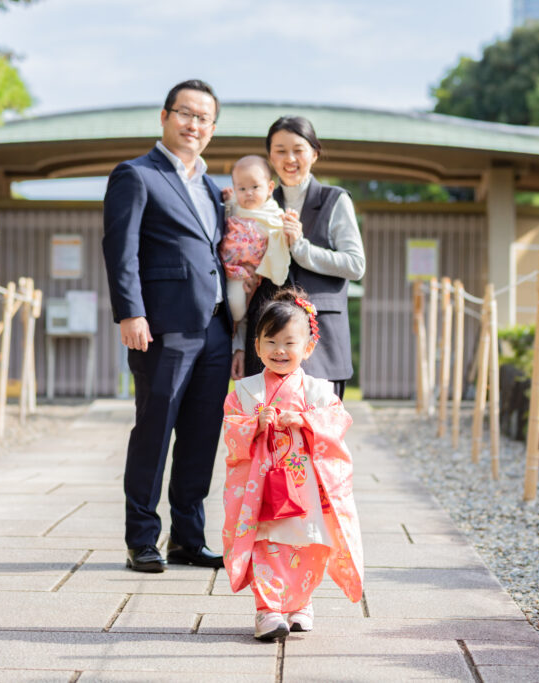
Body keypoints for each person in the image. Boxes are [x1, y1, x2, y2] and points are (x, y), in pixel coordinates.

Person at [102, 79, 230, 573]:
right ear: (165, 116)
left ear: (212, 129)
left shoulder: (210, 187)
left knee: (202, 435)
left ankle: (188, 538)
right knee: (155, 432)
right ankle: (142, 539)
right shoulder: (136, 175)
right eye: (185, 114)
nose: (193, 124)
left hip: (216, 329)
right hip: (163, 328)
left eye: (203, 119)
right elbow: (121, 249)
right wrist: (130, 312)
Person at [221, 286, 364, 641]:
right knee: (265, 542)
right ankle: (267, 610)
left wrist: (306, 422)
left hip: (306, 488)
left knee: (309, 542)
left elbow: (337, 424)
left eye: (289, 342)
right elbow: (231, 432)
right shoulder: (244, 391)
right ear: (257, 346)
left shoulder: (319, 391)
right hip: (262, 487)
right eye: (270, 342)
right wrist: (256, 424)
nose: (279, 351)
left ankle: (301, 603)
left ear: (308, 347)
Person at [232, 116, 366, 400]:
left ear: (314, 153)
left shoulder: (335, 199)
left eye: (298, 149)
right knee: (267, 435)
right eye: (280, 150)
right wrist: (240, 344)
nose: (289, 158)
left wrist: (302, 249)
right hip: (267, 337)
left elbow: (355, 264)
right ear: (270, 156)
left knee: (318, 436)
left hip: (322, 339)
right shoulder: (259, 201)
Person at [219, 155, 293, 325]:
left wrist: (288, 226)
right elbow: (226, 216)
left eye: (255, 187)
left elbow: (280, 239)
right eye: (242, 189)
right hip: (232, 269)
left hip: (255, 271)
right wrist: (229, 201)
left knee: (249, 306)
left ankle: (240, 327)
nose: (249, 193)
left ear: (269, 188)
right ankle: (236, 327)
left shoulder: (273, 215)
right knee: (235, 304)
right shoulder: (235, 208)